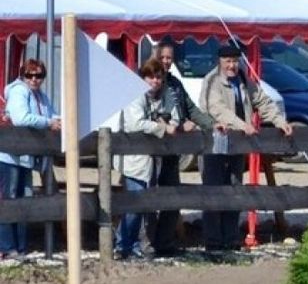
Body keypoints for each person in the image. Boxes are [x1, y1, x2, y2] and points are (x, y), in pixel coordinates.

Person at [199, 45, 292, 252]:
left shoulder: (242, 79)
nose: (232, 65)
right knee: (214, 190)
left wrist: (279, 120)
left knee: (235, 189)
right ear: (220, 61)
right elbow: (217, 109)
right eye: (228, 62)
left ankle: (231, 238)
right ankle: (213, 241)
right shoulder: (212, 80)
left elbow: (262, 100)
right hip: (216, 142)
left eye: (234, 61)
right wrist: (243, 125)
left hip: (238, 144)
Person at [149, 41, 218, 256]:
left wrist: (211, 124)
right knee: (148, 199)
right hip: (151, 150)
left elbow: (190, 109)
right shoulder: (147, 83)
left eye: (170, 58)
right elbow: (152, 115)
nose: (167, 62)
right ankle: (147, 243)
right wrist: (178, 126)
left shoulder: (176, 84)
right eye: (163, 58)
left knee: (173, 198)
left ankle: (165, 242)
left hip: (172, 151)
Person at [114, 59, 179, 260]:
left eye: (159, 77)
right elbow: (136, 123)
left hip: (152, 160)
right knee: (135, 205)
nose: (155, 81)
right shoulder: (135, 96)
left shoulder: (167, 94)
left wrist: (171, 123)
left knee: (144, 205)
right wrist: (161, 127)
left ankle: (132, 244)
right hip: (134, 158)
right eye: (151, 77)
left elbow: (175, 116)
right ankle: (123, 245)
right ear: (143, 78)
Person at [0, 59, 61, 258]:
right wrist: (49, 123)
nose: (34, 79)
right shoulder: (19, 92)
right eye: (29, 75)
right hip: (11, 155)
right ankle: (7, 247)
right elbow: (21, 118)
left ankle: (20, 246)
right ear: (22, 75)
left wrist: (61, 120)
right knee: (10, 200)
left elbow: (52, 115)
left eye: (38, 75)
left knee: (24, 199)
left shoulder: (41, 96)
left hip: (25, 157)